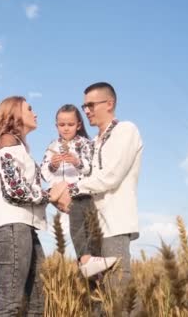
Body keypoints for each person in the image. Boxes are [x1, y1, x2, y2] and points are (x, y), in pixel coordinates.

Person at [53, 82, 143, 292]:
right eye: (84, 106)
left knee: (118, 293)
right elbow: (86, 179)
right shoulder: (93, 142)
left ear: (109, 104)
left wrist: (71, 190)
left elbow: (111, 176)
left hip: (114, 224)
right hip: (91, 225)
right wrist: (62, 197)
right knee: (96, 297)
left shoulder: (125, 130)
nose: (86, 111)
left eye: (91, 105)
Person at [0, 96, 56, 316]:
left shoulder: (17, 146)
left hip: (23, 225)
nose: (35, 113)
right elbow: (14, 189)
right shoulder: (7, 140)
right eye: (29, 109)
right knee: (9, 303)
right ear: (14, 114)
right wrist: (50, 196)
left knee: (36, 301)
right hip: (11, 223)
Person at [41, 104, 117, 277]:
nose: (66, 128)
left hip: (80, 191)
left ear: (78, 125)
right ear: (56, 126)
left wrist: (77, 162)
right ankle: (85, 258)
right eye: (62, 125)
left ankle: (88, 260)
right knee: (78, 225)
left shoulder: (84, 144)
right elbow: (44, 172)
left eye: (70, 124)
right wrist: (53, 165)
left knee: (86, 227)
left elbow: (91, 169)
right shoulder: (52, 146)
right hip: (61, 195)